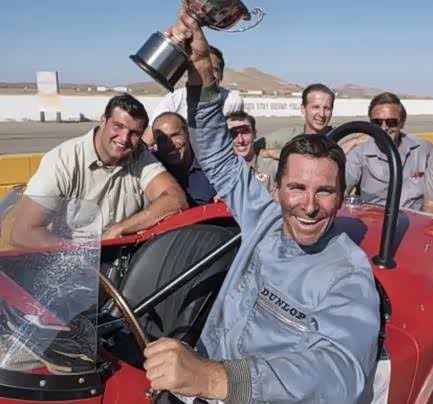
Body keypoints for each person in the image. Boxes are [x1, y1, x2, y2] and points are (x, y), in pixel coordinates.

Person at [142, 11, 381, 403]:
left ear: (341, 197)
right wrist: (201, 69)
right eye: (297, 188)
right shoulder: (264, 218)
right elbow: (217, 154)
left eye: (324, 192)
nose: (309, 206)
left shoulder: (346, 274)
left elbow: (341, 372)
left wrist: (214, 379)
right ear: (278, 188)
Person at [11, 94, 187, 247]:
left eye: (134, 133)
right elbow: (23, 233)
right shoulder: (63, 160)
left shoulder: (139, 154)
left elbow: (175, 199)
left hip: (122, 260)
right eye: (118, 126)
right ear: (103, 121)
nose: (124, 138)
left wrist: (120, 228)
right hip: (67, 260)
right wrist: (82, 256)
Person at [142, 44, 244, 151]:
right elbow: (149, 139)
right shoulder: (174, 99)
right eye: (201, 69)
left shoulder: (232, 101)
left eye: (214, 69)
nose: (207, 74)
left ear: (221, 75)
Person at [345, 92, 433, 210]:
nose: (384, 128)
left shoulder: (423, 149)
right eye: (377, 122)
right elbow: (340, 191)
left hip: (413, 219)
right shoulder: (359, 154)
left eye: (391, 122)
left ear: (402, 122)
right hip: (375, 219)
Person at [152, 112, 216, 206]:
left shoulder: (212, 161)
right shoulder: (151, 168)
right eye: (162, 139)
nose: (170, 144)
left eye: (175, 135)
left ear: (188, 134)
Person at [226, 110, 278, 191]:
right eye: (233, 134)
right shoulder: (219, 171)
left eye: (245, 132)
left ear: (254, 133)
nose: (240, 140)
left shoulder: (272, 168)